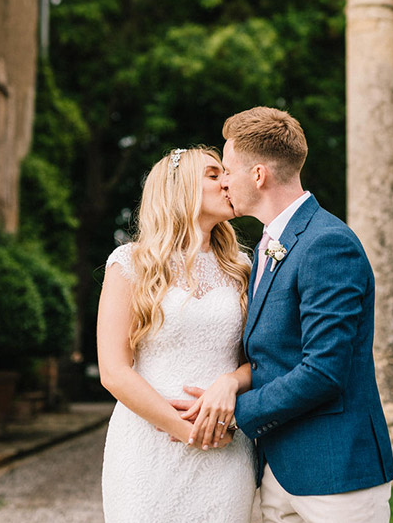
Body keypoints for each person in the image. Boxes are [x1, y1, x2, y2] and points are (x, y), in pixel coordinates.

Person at [177, 107, 393, 522]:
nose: (223, 181)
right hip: (276, 469)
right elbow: (270, 356)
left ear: (258, 175)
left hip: (336, 474)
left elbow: (324, 370)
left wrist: (233, 414)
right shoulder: (266, 246)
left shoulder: (328, 243)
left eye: (227, 169)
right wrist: (228, 381)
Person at [97, 147, 257, 523]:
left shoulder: (243, 268)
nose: (227, 182)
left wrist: (231, 383)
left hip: (225, 444)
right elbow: (114, 371)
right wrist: (188, 431)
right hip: (146, 447)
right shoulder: (129, 263)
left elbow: (261, 358)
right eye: (214, 174)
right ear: (179, 188)